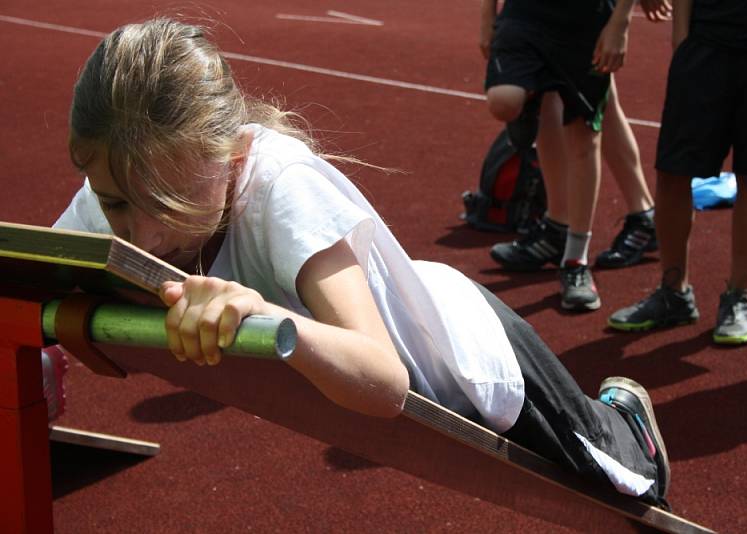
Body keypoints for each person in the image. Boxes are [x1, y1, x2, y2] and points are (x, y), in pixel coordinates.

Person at [53, 18, 670, 507]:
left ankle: (628, 418)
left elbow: (384, 377)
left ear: (231, 152)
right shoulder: (115, 192)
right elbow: (33, 278)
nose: (138, 231)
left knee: (616, 476)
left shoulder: (279, 186)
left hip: (467, 350)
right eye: (113, 203)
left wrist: (266, 316)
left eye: (170, 203)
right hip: (411, 307)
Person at [608, 0, 747, 345]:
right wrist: (682, 41)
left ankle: (737, 297)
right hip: (703, 48)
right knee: (672, 172)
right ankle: (674, 293)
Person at [480, 0, 647, 313]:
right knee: (504, 100)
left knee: (584, 134)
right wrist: (487, 16)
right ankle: (531, 95)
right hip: (526, 14)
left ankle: (575, 259)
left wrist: (620, 21)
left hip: (587, 18)